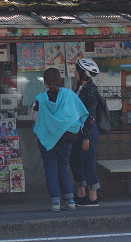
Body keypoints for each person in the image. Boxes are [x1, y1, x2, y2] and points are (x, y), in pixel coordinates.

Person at [32, 67, 88, 212]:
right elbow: (80, 113)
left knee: (50, 169)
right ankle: (70, 201)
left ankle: (55, 203)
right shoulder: (69, 94)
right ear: (60, 80)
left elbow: (35, 118)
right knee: (63, 168)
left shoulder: (41, 99)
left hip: (47, 139)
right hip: (66, 138)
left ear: (45, 83)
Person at [70, 58, 102, 207]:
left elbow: (91, 115)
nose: (75, 73)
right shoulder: (79, 88)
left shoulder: (91, 90)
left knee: (88, 162)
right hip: (77, 131)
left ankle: (93, 197)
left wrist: (86, 137)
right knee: (76, 161)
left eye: (77, 70)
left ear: (84, 73)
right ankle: (81, 193)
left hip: (87, 132)